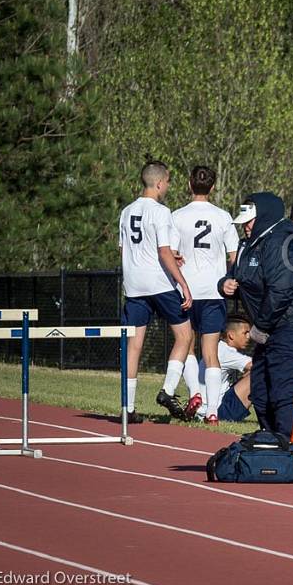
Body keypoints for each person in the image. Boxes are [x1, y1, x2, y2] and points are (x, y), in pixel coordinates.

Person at [218, 193, 293, 437]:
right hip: (272, 329)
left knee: (282, 392)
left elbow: (281, 291)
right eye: (244, 222)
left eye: (250, 221)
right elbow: (239, 275)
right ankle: (274, 442)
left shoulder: (283, 242)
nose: (246, 226)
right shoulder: (249, 243)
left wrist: (259, 328)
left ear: (265, 217)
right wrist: (225, 284)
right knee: (261, 391)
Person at [118, 160, 194, 423]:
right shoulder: (161, 212)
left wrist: (166, 255)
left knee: (133, 345)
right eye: (168, 182)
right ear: (160, 183)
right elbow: (163, 251)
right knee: (185, 335)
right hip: (159, 284)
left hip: (134, 284)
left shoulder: (126, 212)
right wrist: (182, 282)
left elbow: (125, 249)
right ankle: (168, 390)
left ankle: (127, 407)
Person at [171, 166, 239, 424]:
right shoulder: (223, 217)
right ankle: (212, 411)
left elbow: (171, 253)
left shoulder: (177, 216)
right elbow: (234, 256)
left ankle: (195, 394)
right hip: (213, 291)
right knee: (210, 352)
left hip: (185, 290)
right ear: (212, 187)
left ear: (189, 184)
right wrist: (228, 278)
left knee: (186, 345)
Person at [193, 314, 255, 423]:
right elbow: (255, 366)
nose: (248, 337)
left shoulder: (218, 348)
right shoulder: (225, 352)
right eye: (245, 333)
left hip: (205, 409)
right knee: (259, 373)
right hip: (218, 411)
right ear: (231, 335)